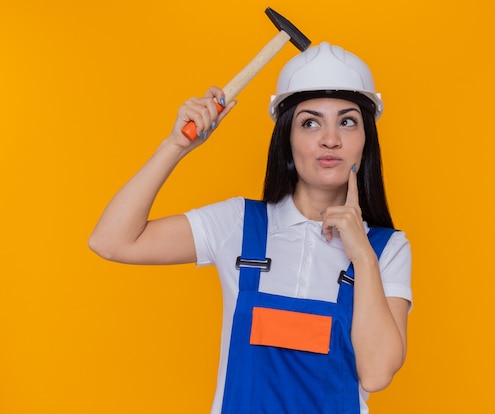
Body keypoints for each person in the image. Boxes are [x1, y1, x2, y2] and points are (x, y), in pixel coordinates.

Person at [89, 42, 412, 414]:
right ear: (286, 138)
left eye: (347, 121)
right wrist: (176, 145)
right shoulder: (238, 225)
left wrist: (362, 255)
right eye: (310, 122)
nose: (330, 138)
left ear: (365, 139)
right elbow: (111, 241)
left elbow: (375, 375)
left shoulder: (387, 249)